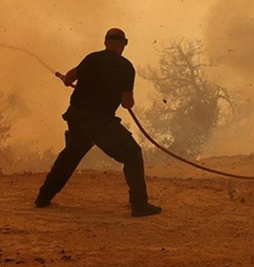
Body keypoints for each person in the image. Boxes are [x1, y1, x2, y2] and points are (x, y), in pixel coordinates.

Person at [34, 28, 162, 217]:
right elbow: (127, 103)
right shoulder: (126, 67)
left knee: (70, 157)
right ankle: (139, 205)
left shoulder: (91, 58)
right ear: (123, 44)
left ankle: (43, 197)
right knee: (132, 154)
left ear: (105, 42)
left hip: (77, 118)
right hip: (101, 123)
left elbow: (70, 76)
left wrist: (66, 80)